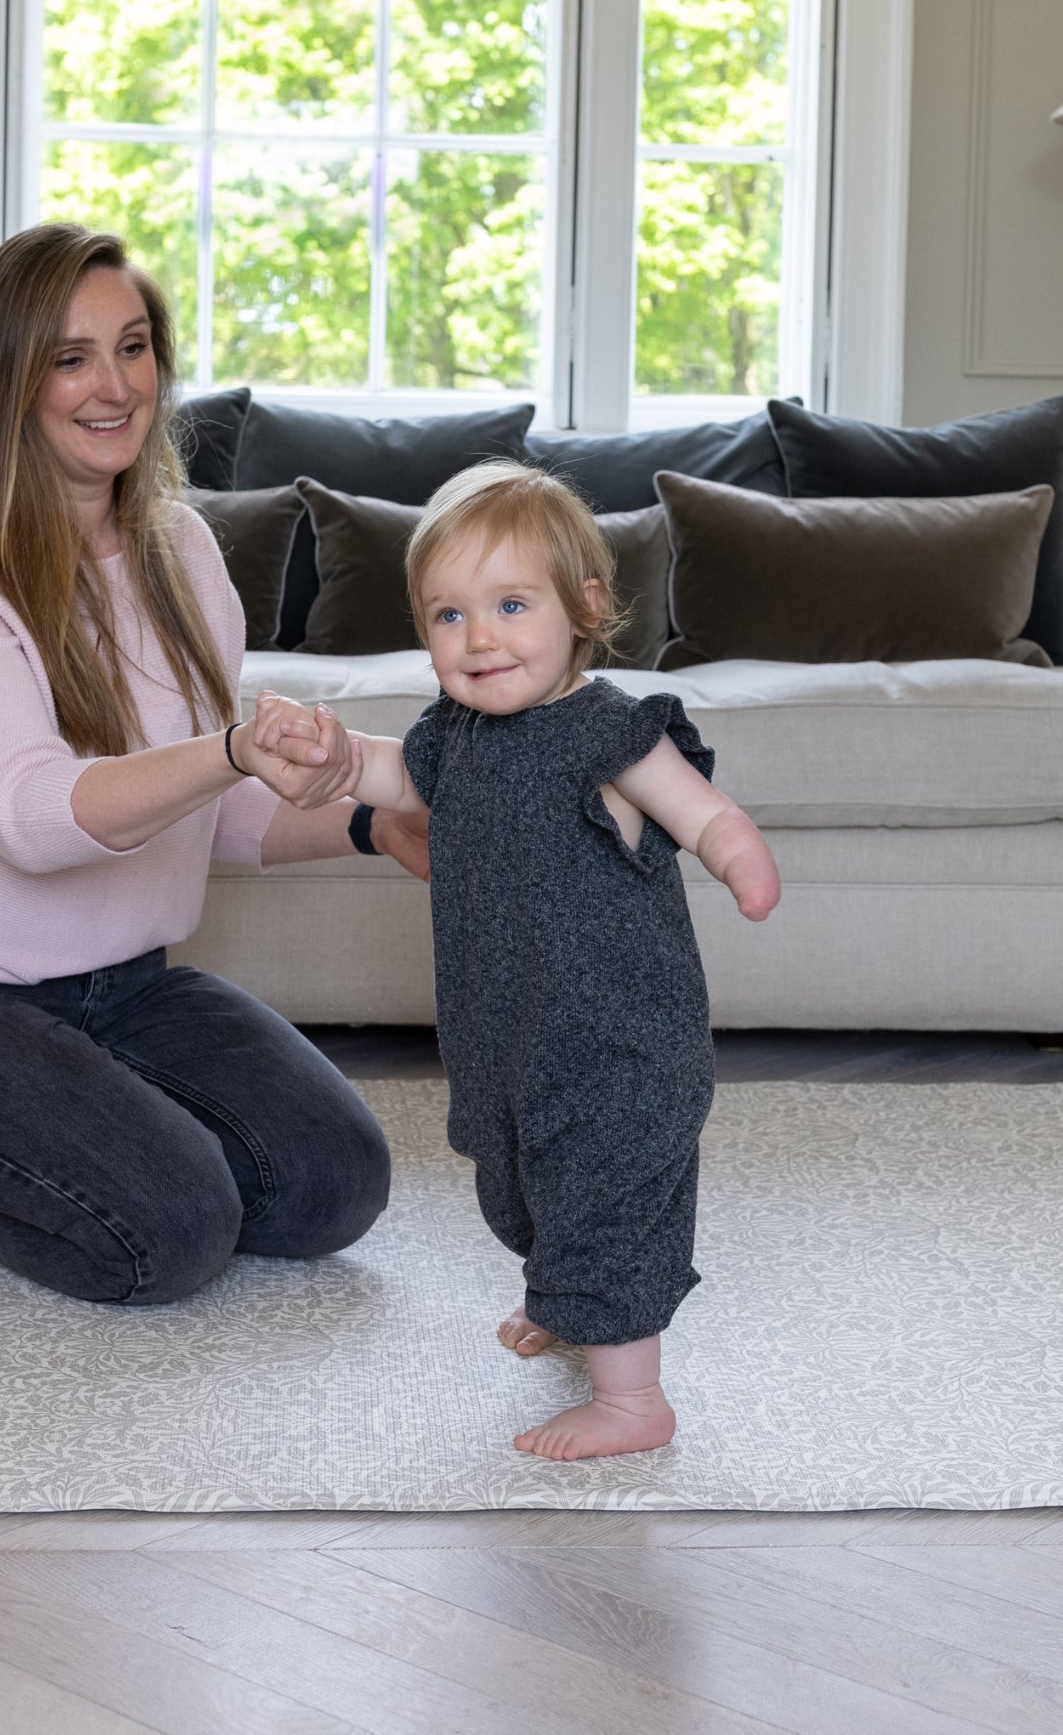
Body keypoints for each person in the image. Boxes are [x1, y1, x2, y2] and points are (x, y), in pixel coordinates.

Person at [0, 222, 424, 1308]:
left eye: (133, 348)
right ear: (6, 381)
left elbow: (206, 815)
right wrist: (230, 749)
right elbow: (31, 819)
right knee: (172, 1231)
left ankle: (68, 1145)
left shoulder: (180, 548)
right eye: (70, 358)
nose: (115, 385)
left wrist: (375, 824)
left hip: (121, 988)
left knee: (335, 1185)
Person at [252, 460, 781, 1461]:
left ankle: (632, 1399)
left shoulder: (610, 733)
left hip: (620, 1045)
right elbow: (391, 776)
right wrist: (335, 756)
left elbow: (701, 810)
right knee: (523, 1183)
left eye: (509, 605)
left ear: (584, 607)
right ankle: (567, 1297)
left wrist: (739, 858)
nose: (478, 637)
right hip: (506, 1037)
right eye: (448, 615)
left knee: (607, 1201)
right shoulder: (455, 735)